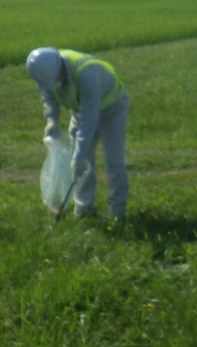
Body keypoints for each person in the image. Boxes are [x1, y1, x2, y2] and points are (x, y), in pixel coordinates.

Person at [26, 47, 130, 219]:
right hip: (81, 111)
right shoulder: (48, 72)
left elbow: (89, 121)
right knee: (81, 162)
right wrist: (52, 120)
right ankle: (84, 208)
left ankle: (118, 211)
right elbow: (49, 95)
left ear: (61, 70)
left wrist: (79, 156)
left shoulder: (86, 74)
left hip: (112, 109)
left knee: (113, 160)